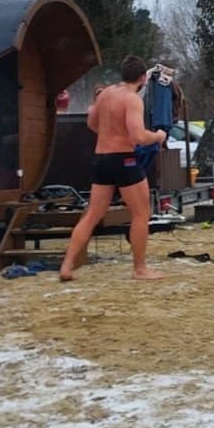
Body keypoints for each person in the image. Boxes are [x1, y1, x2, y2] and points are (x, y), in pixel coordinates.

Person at [59, 56, 168, 282]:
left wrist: (109, 133)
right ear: (141, 78)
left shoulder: (106, 94)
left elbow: (91, 123)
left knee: (92, 215)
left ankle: (67, 265)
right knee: (141, 214)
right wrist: (157, 136)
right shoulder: (132, 99)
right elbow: (138, 135)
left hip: (102, 158)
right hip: (123, 159)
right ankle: (140, 269)